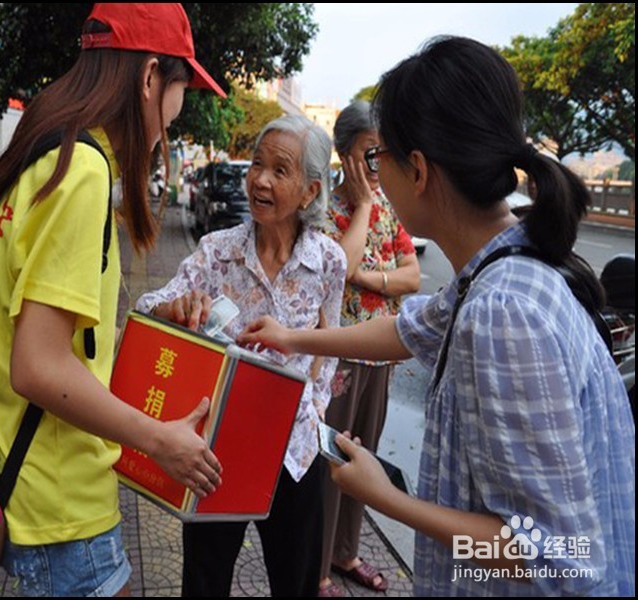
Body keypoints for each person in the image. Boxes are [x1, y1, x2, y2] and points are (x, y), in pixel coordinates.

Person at [239, 36, 635, 597]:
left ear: (417, 170)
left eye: (380, 159)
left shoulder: (504, 314)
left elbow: (556, 558)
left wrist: (389, 499)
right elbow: (405, 328)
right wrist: (292, 336)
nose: (376, 176)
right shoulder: (497, 268)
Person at [0, 4, 227, 597]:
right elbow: (38, 366)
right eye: (180, 87)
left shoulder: (39, 155)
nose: (176, 112)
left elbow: (37, 337)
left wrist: (139, 329)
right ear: (149, 77)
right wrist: (160, 440)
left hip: (28, 485)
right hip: (64, 508)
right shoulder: (82, 172)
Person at [136, 115, 347, 597]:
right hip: (217, 451)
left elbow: (330, 344)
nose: (260, 179)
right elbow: (146, 308)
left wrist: (314, 411)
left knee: (294, 581)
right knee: (205, 580)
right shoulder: (217, 252)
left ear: (310, 191)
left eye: (280, 169)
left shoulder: (329, 262)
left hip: (295, 452)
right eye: (257, 164)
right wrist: (175, 307)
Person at [318, 101, 420, 597]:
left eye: (383, 155)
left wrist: (367, 276)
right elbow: (337, 270)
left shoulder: (389, 210)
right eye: (369, 154)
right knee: (329, 463)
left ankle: (346, 552)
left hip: (379, 354)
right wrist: (359, 212)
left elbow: (414, 276)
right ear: (344, 154)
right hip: (335, 355)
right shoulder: (323, 209)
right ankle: (316, 566)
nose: (378, 166)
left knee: (365, 458)